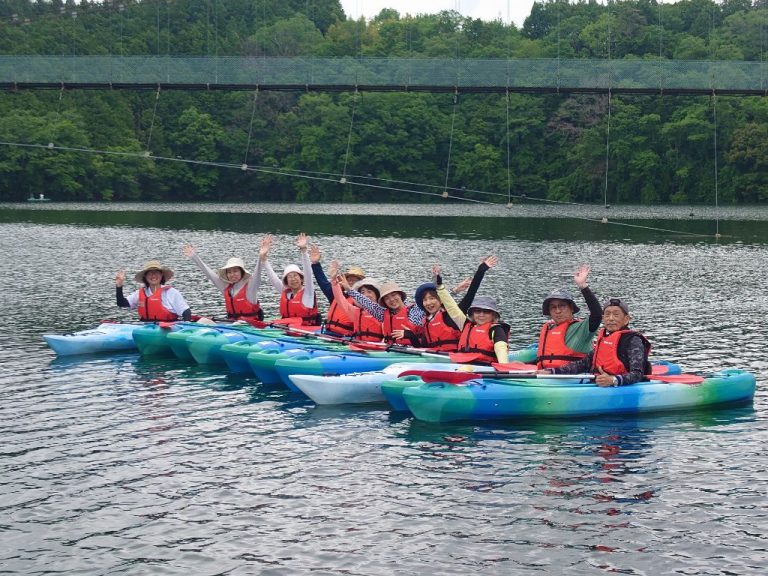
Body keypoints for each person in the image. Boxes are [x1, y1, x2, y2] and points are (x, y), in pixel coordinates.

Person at [542, 298, 651, 387]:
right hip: (600, 383)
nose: (611, 319)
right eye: (607, 315)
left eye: (616, 315)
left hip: (622, 387)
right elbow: (582, 364)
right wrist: (552, 372)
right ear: (603, 319)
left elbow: (637, 374)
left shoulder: (633, 340)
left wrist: (613, 380)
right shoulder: (603, 340)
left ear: (626, 319)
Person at [414, 256, 498, 352]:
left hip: (456, 359)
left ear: (441, 300)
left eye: (432, 298)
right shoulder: (426, 321)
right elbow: (422, 346)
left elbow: (471, 293)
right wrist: (409, 335)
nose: (428, 302)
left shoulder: (453, 316)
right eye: (425, 300)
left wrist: (481, 270)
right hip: (434, 358)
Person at [536, 264, 603, 370]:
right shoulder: (548, 328)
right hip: (545, 376)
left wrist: (583, 286)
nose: (557, 311)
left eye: (562, 306)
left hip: (572, 378)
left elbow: (597, 314)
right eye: (553, 307)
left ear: (571, 308)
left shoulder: (582, 329)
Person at [250, 233, 320, 326]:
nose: (293, 279)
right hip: (286, 331)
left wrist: (303, 251)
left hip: (305, 333)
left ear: (301, 279)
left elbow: (308, 273)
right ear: (286, 281)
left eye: (295, 276)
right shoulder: (286, 292)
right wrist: (264, 259)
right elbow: (273, 279)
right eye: (289, 277)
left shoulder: (308, 292)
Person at [435, 278, 509, 364]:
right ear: (472, 314)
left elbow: (501, 348)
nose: (481, 314)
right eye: (477, 311)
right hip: (461, 364)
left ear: (493, 315)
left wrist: (503, 366)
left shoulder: (496, 330)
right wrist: (440, 287)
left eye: (487, 312)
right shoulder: (465, 324)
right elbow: (452, 307)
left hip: (485, 367)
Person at [183, 245, 262, 324]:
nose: (232, 274)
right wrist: (194, 256)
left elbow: (257, 273)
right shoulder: (226, 287)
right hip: (232, 324)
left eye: (235, 271)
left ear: (242, 272)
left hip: (250, 325)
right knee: (203, 321)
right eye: (229, 272)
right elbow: (208, 273)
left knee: (237, 324)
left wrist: (261, 257)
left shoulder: (251, 287)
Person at [309, 243, 365, 337]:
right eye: (349, 279)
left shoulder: (363, 301)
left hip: (346, 337)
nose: (351, 282)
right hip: (328, 333)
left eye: (355, 280)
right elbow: (322, 281)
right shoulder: (336, 294)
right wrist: (315, 264)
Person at [115, 260, 191, 321]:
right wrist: (119, 286)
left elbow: (186, 312)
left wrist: (185, 330)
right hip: (147, 329)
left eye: (156, 273)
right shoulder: (140, 293)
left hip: (168, 328)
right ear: (145, 277)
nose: (153, 276)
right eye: (150, 273)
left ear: (161, 275)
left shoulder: (171, 292)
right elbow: (121, 303)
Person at [329, 266, 385, 342]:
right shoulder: (356, 312)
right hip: (358, 346)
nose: (366, 295)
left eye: (369, 292)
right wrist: (334, 281)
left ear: (376, 295)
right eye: (362, 292)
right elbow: (340, 299)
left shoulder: (383, 312)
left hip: (378, 348)